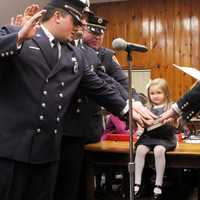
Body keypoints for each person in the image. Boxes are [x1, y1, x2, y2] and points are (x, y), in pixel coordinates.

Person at [0, 0, 154, 199]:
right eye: (76, 21)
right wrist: (19, 37)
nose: (81, 28)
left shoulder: (76, 55)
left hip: (47, 152)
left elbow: (99, 86)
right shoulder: (16, 33)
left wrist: (127, 109)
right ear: (57, 16)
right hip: (13, 150)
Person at [134, 78, 177, 200]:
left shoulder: (171, 107)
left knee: (159, 150)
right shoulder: (146, 107)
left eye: (159, 93)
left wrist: (172, 121)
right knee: (140, 149)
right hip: (149, 137)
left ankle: (158, 184)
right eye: (152, 93)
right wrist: (140, 128)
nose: (155, 96)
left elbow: (177, 126)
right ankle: (137, 182)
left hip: (165, 138)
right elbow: (142, 126)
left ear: (166, 93)